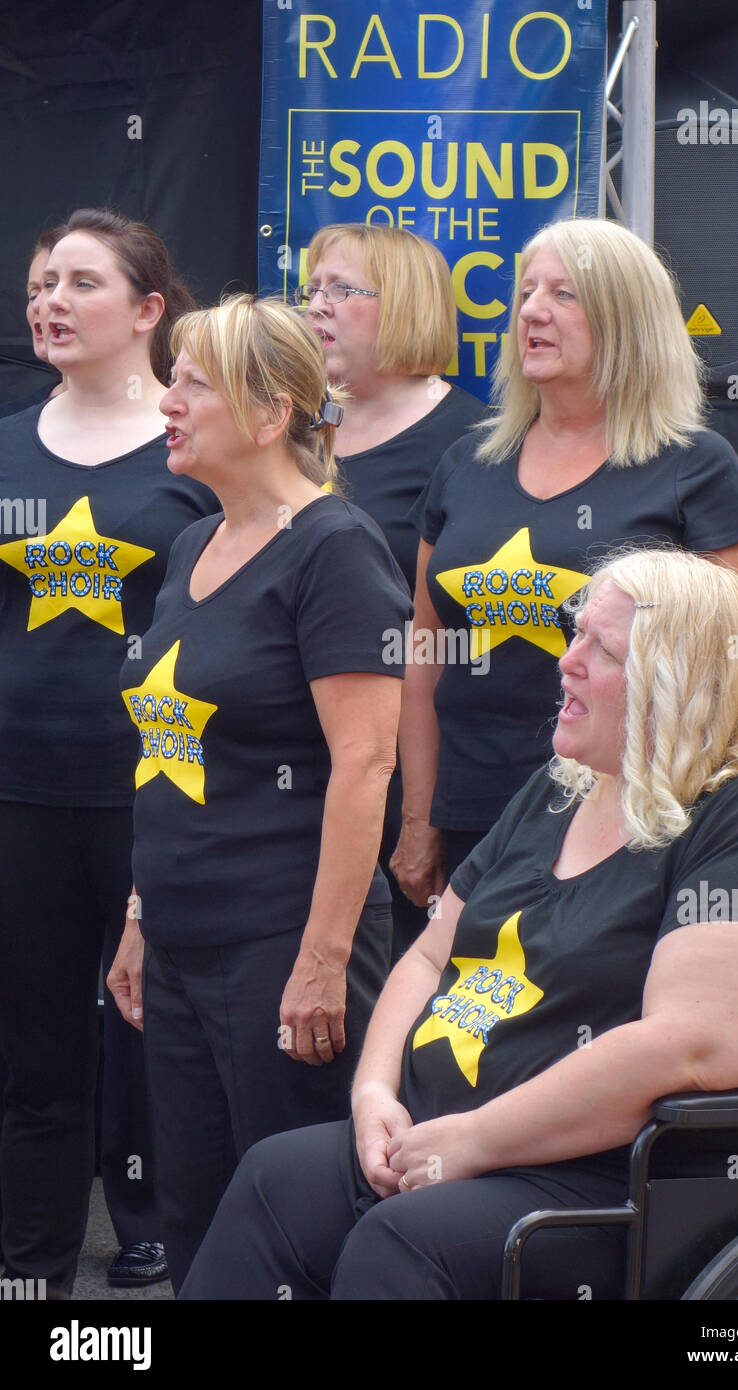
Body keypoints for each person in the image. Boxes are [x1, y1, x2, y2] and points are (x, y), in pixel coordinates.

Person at [179, 546, 738, 1302]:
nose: (565, 661)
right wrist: (374, 1096)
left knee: (406, 1242)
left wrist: (476, 1141)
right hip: (447, 1140)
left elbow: (693, 1045)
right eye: (576, 633)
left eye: (599, 649)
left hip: (624, 1182)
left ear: (680, 679)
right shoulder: (563, 788)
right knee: (276, 1180)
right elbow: (425, 960)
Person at [108, 293, 413, 1292]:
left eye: (191, 382)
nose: (167, 402)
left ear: (272, 413)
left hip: (282, 946)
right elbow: (168, 755)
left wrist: (321, 962)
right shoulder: (195, 546)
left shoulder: (335, 547)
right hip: (185, 943)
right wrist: (142, 919)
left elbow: (366, 765)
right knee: (196, 1222)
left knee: (288, 1223)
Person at [390, 216, 738, 910]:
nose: (532, 310)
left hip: (630, 822)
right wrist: (418, 818)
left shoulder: (695, 467)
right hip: (473, 814)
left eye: (564, 295)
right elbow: (422, 654)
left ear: (627, 322)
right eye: (527, 291)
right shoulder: (465, 464)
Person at [0, 207, 216, 1296]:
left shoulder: (192, 448)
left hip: (153, 790)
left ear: (146, 310)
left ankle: (153, 1227)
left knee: (148, 1028)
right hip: (20, 793)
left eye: (80, 282)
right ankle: (32, 1260)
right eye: (42, 283)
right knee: (34, 1038)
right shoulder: (2, 443)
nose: (49, 300)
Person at [298, 223, 487, 956]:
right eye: (313, 288)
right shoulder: (300, 430)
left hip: (408, 769)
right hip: (288, 765)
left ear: (405, 304)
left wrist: (419, 813)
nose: (317, 306)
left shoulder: (476, 442)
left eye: (342, 290)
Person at [0, 228, 65, 420]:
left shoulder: (158, 419)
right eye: (33, 294)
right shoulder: (8, 424)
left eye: (82, 285)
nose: (40, 304)